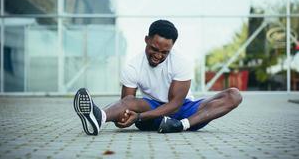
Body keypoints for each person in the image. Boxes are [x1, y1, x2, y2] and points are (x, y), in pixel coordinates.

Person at [73, 19, 242, 135]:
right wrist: (123, 118)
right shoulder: (133, 66)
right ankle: (98, 118)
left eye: (164, 52)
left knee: (234, 95)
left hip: (185, 112)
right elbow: (126, 105)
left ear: (172, 47)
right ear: (146, 40)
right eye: (154, 49)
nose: (158, 55)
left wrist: (138, 117)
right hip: (152, 113)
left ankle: (180, 126)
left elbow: (175, 105)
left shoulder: (181, 63)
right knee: (130, 101)